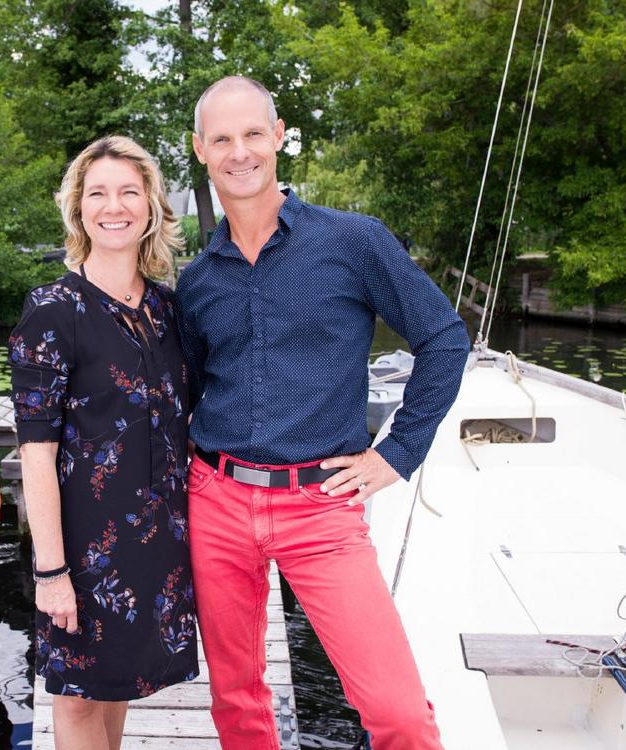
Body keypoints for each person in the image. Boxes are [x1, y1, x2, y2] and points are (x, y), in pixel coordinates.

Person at [175, 76, 469, 750]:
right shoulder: (197, 281)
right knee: (237, 702)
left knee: (398, 714)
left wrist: (397, 452)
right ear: (200, 149)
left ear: (279, 137)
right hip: (217, 500)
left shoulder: (353, 242)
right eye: (222, 138)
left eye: (253, 133)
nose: (240, 152)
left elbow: (444, 338)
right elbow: (185, 392)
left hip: (321, 505)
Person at [9, 135, 197, 750]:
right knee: (79, 702)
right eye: (97, 194)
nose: (114, 207)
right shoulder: (52, 310)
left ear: (151, 206)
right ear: (78, 208)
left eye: (129, 192)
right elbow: (36, 453)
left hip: (158, 543)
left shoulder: (168, 310)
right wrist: (51, 571)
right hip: (84, 550)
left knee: (118, 688)